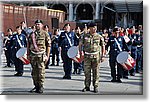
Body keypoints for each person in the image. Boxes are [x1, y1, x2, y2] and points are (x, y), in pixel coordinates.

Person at [79, 22, 105, 93]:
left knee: (96, 72)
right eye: (93, 27)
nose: (95, 29)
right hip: (87, 56)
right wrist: (81, 53)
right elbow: (80, 45)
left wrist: (103, 55)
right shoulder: (84, 36)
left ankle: (95, 86)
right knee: (87, 72)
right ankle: (87, 86)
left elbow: (103, 46)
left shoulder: (99, 36)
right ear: (89, 28)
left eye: (95, 27)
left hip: (96, 57)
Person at [27, 20, 51, 93]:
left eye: (39, 24)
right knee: (34, 72)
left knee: (41, 72)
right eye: (36, 24)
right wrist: (28, 54)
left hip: (41, 55)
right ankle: (36, 86)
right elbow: (28, 45)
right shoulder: (32, 34)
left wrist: (47, 55)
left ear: (42, 25)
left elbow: (48, 45)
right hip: (33, 55)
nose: (37, 25)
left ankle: (41, 86)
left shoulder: (45, 34)